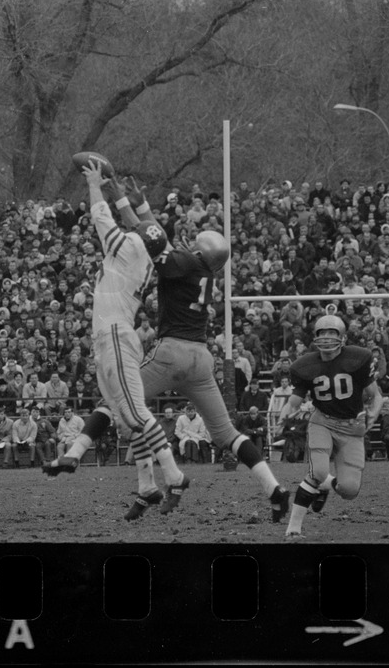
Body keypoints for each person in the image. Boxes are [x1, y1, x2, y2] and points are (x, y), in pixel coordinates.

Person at [99, 175, 289, 521]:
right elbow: (161, 238)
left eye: (192, 242)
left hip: (172, 353)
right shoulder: (204, 269)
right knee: (226, 434)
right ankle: (275, 489)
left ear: (199, 250)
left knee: (123, 406)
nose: (185, 243)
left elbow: (151, 240)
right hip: (201, 358)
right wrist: (142, 205)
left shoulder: (184, 263)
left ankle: (148, 489)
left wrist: (122, 204)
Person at [41, 162, 189, 521]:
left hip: (116, 337)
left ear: (139, 234)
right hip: (109, 337)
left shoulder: (130, 246)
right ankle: (147, 486)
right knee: (125, 417)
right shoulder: (145, 249)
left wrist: (94, 185)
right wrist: (122, 195)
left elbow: (101, 217)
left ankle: (175, 476)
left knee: (136, 415)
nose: (132, 224)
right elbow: (138, 224)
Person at [278, 315, 386, 538]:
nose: (326, 339)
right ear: (315, 338)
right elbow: (295, 400)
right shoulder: (304, 365)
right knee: (317, 470)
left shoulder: (359, 358)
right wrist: (284, 414)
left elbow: (375, 395)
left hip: (352, 427)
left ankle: (327, 485)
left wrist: (374, 411)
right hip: (322, 422)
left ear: (342, 337)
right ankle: (293, 528)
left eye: (331, 333)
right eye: (321, 334)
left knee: (349, 490)